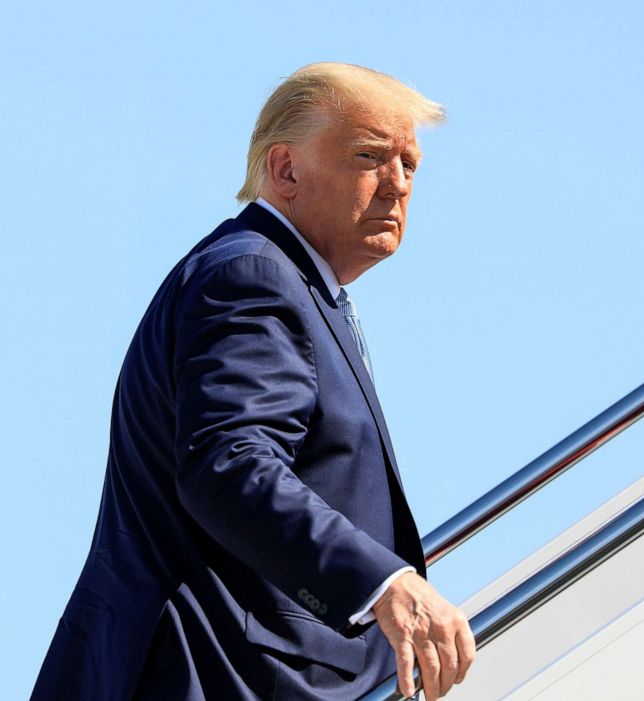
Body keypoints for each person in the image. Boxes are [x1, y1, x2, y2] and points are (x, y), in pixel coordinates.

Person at [31, 62, 475, 701]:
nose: (397, 185)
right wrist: (383, 583)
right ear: (286, 169)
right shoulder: (253, 276)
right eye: (370, 156)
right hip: (214, 676)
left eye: (410, 165)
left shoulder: (289, 281)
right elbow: (231, 467)